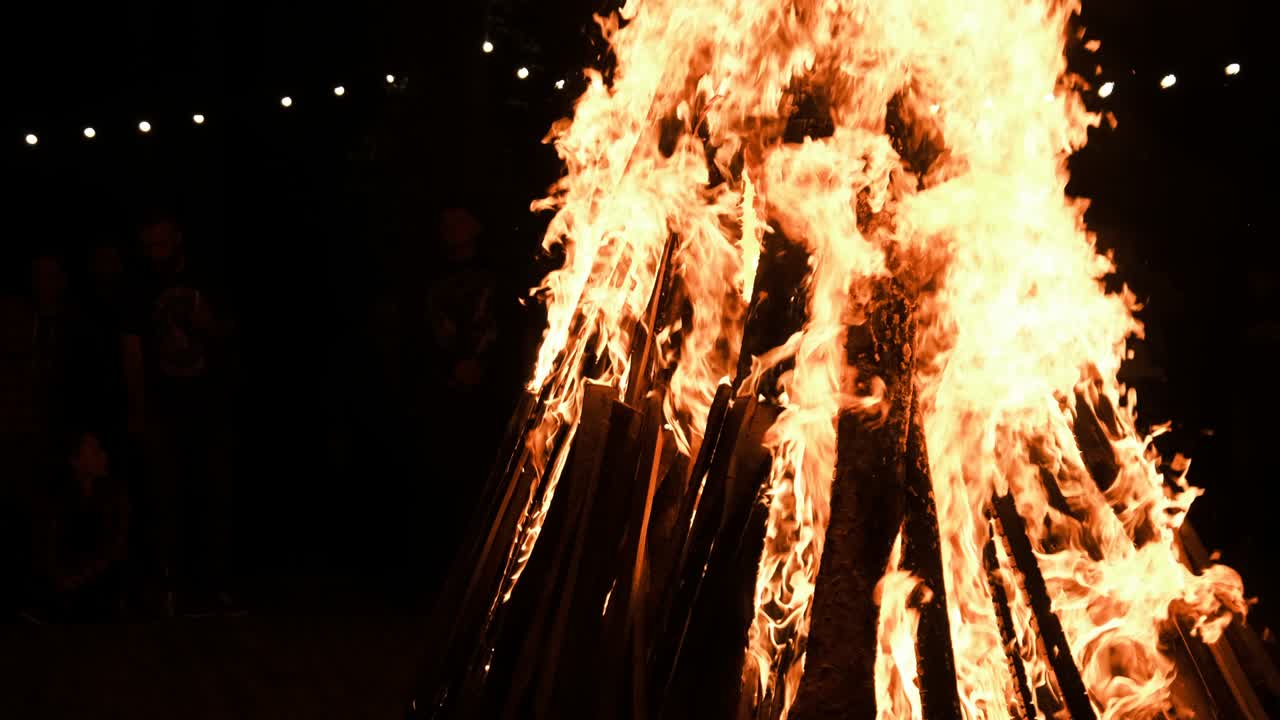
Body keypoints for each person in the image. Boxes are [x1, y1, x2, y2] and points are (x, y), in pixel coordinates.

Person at [121, 213, 237, 615]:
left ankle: (213, 585)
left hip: (206, 407)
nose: (156, 252)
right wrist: (139, 409)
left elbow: (229, 333)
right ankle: (169, 585)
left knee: (213, 494)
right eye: (149, 245)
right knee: (166, 498)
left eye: (162, 243)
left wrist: (210, 326)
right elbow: (132, 351)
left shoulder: (208, 280)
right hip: (163, 408)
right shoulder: (138, 288)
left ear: (177, 238)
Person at [33, 431, 129, 622]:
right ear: (75, 461)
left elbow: (114, 547)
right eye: (95, 451)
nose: (104, 455)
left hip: (103, 591)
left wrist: (80, 578)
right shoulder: (58, 504)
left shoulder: (114, 499)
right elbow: (51, 546)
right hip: (69, 596)